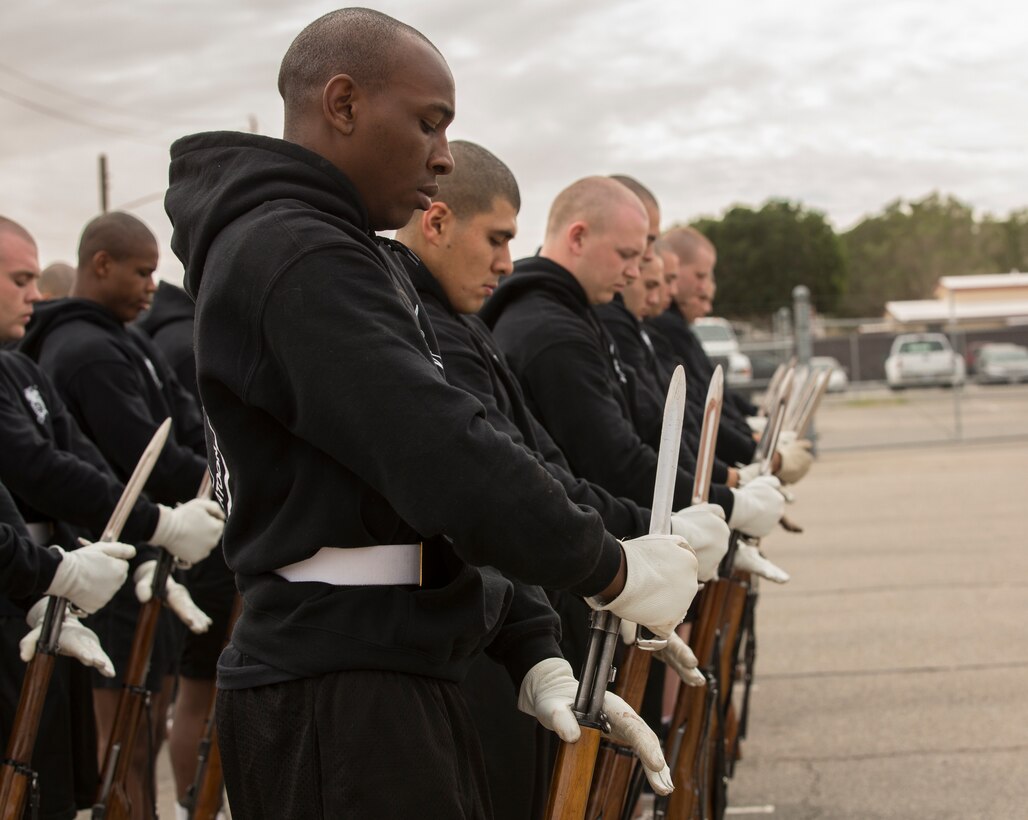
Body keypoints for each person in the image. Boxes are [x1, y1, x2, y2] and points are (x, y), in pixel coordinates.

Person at [164, 9, 703, 817]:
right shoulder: (293, 253)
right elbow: (439, 452)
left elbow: (419, 493)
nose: (443, 155)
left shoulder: (342, 252)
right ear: (342, 104)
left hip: (385, 664)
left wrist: (528, 644)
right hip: (337, 694)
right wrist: (609, 569)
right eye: (428, 123)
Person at [393, 140, 727, 819]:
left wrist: (654, 533)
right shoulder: (485, 329)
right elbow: (512, 482)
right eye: (494, 238)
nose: (502, 261)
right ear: (436, 223)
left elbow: (548, 469)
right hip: (474, 628)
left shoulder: (471, 325)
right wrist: (630, 553)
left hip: (518, 610)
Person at [19, 212, 224, 820]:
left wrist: (214, 475)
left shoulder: (125, 342)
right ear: (100, 265)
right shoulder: (85, 350)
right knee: (121, 749)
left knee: (144, 731)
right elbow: (138, 456)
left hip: (147, 557)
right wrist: (194, 494)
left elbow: (185, 424)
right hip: (106, 564)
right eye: (140, 272)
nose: (149, 286)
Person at [480, 178, 785, 540]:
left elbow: (651, 420)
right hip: (599, 553)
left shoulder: (578, 313)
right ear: (577, 238)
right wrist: (725, 502)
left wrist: (720, 485)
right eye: (626, 255)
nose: (636, 271)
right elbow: (614, 463)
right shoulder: (553, 331)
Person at [136, 280, 237, 819]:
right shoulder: (191, 341)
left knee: (190, 692)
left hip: (194, 533)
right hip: (202, 534)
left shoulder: (164, 340)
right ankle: (191, 807)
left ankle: (187, 807)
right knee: (197, 693)